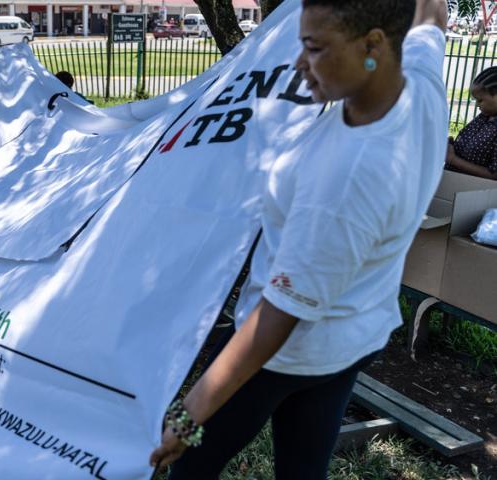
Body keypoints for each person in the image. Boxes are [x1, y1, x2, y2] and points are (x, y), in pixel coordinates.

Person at [149, 0, 448, 478]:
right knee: (303, 467)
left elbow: (277, 318)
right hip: (355, 335)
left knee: (193, 465)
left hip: (287, 353)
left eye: (314, 48)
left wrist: (189, 414)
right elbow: (432, 13)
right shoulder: (419, 76)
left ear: (373, 44)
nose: (298, 63)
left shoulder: (345, 179)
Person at [445, 67, 497, 180]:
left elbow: (494, 175)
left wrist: (453, 159)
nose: (477, 105)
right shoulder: (485, 116)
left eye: (480, 100)